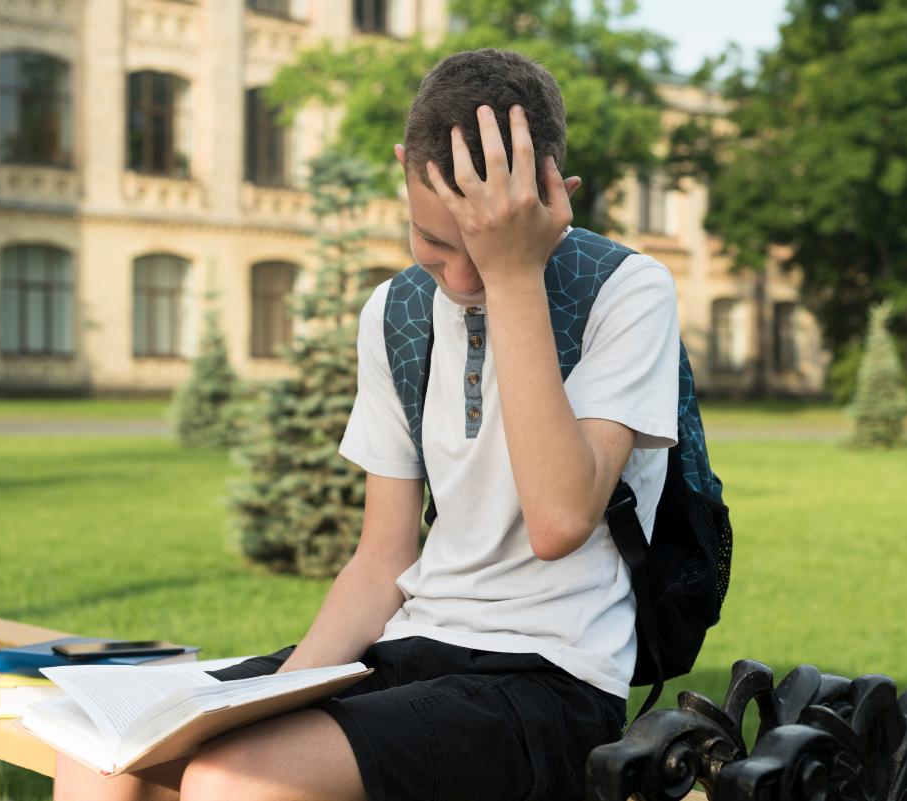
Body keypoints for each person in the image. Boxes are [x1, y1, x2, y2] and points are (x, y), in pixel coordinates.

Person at [53, 48, 680, 801]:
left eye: (484, 249)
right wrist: (269, 699)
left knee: (232, 781)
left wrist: (516, 273)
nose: (462, 280)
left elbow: (559, 520)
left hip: (551, 679)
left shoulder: (627, 291)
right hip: (408, 645)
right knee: (99, 748)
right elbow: (382, 559)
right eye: (436, 244)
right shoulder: (396, 312)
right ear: (403, 172)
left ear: (554, 198)